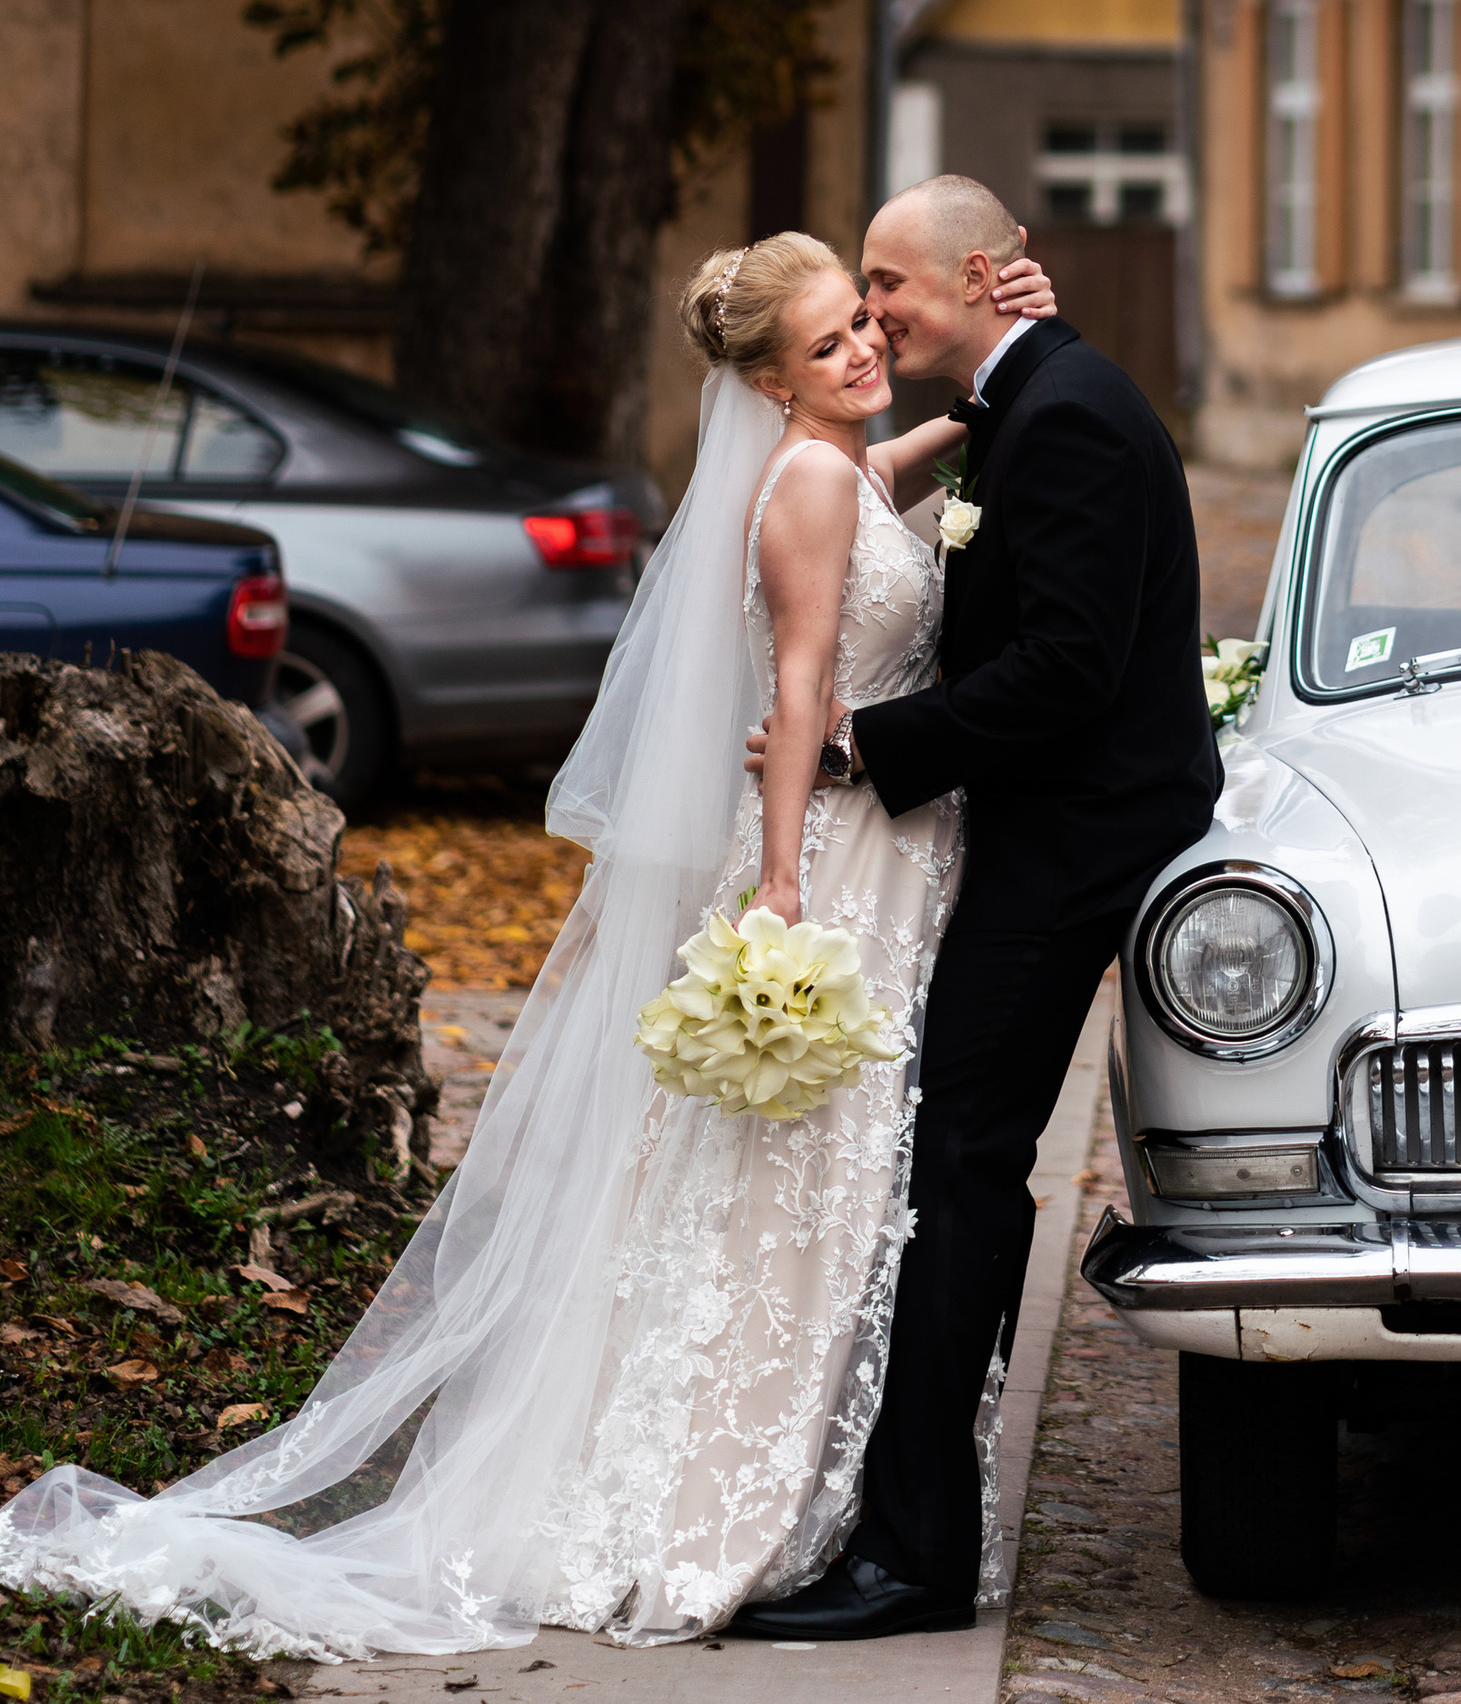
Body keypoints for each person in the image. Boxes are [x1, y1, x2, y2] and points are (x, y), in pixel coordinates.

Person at [0, 225, 1054, 1654]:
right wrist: (789, 882)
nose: (863, 348)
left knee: (809, 1179)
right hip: (839, 858)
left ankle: (787, 1467)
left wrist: (987, 393)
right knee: (793, 1176)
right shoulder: (807, 482)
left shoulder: (832, 466)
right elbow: (801, 685)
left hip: (884, 846)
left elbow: (876, 484)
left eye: (863, 325)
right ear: (769, 381)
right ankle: (709, 1498)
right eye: (827, 344)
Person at [729, 171, 1221, 1644]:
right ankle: (913, 1520)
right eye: (860, 293)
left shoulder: (1067, 412)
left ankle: (920, 1552)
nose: (874, 310)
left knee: (959, 1162)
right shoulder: (1036, 395)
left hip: (1069, 842)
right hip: (1032, 828)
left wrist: (871, 746)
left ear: (979, 272)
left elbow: (1068, 667)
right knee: (953, 1157)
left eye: (889, 282)